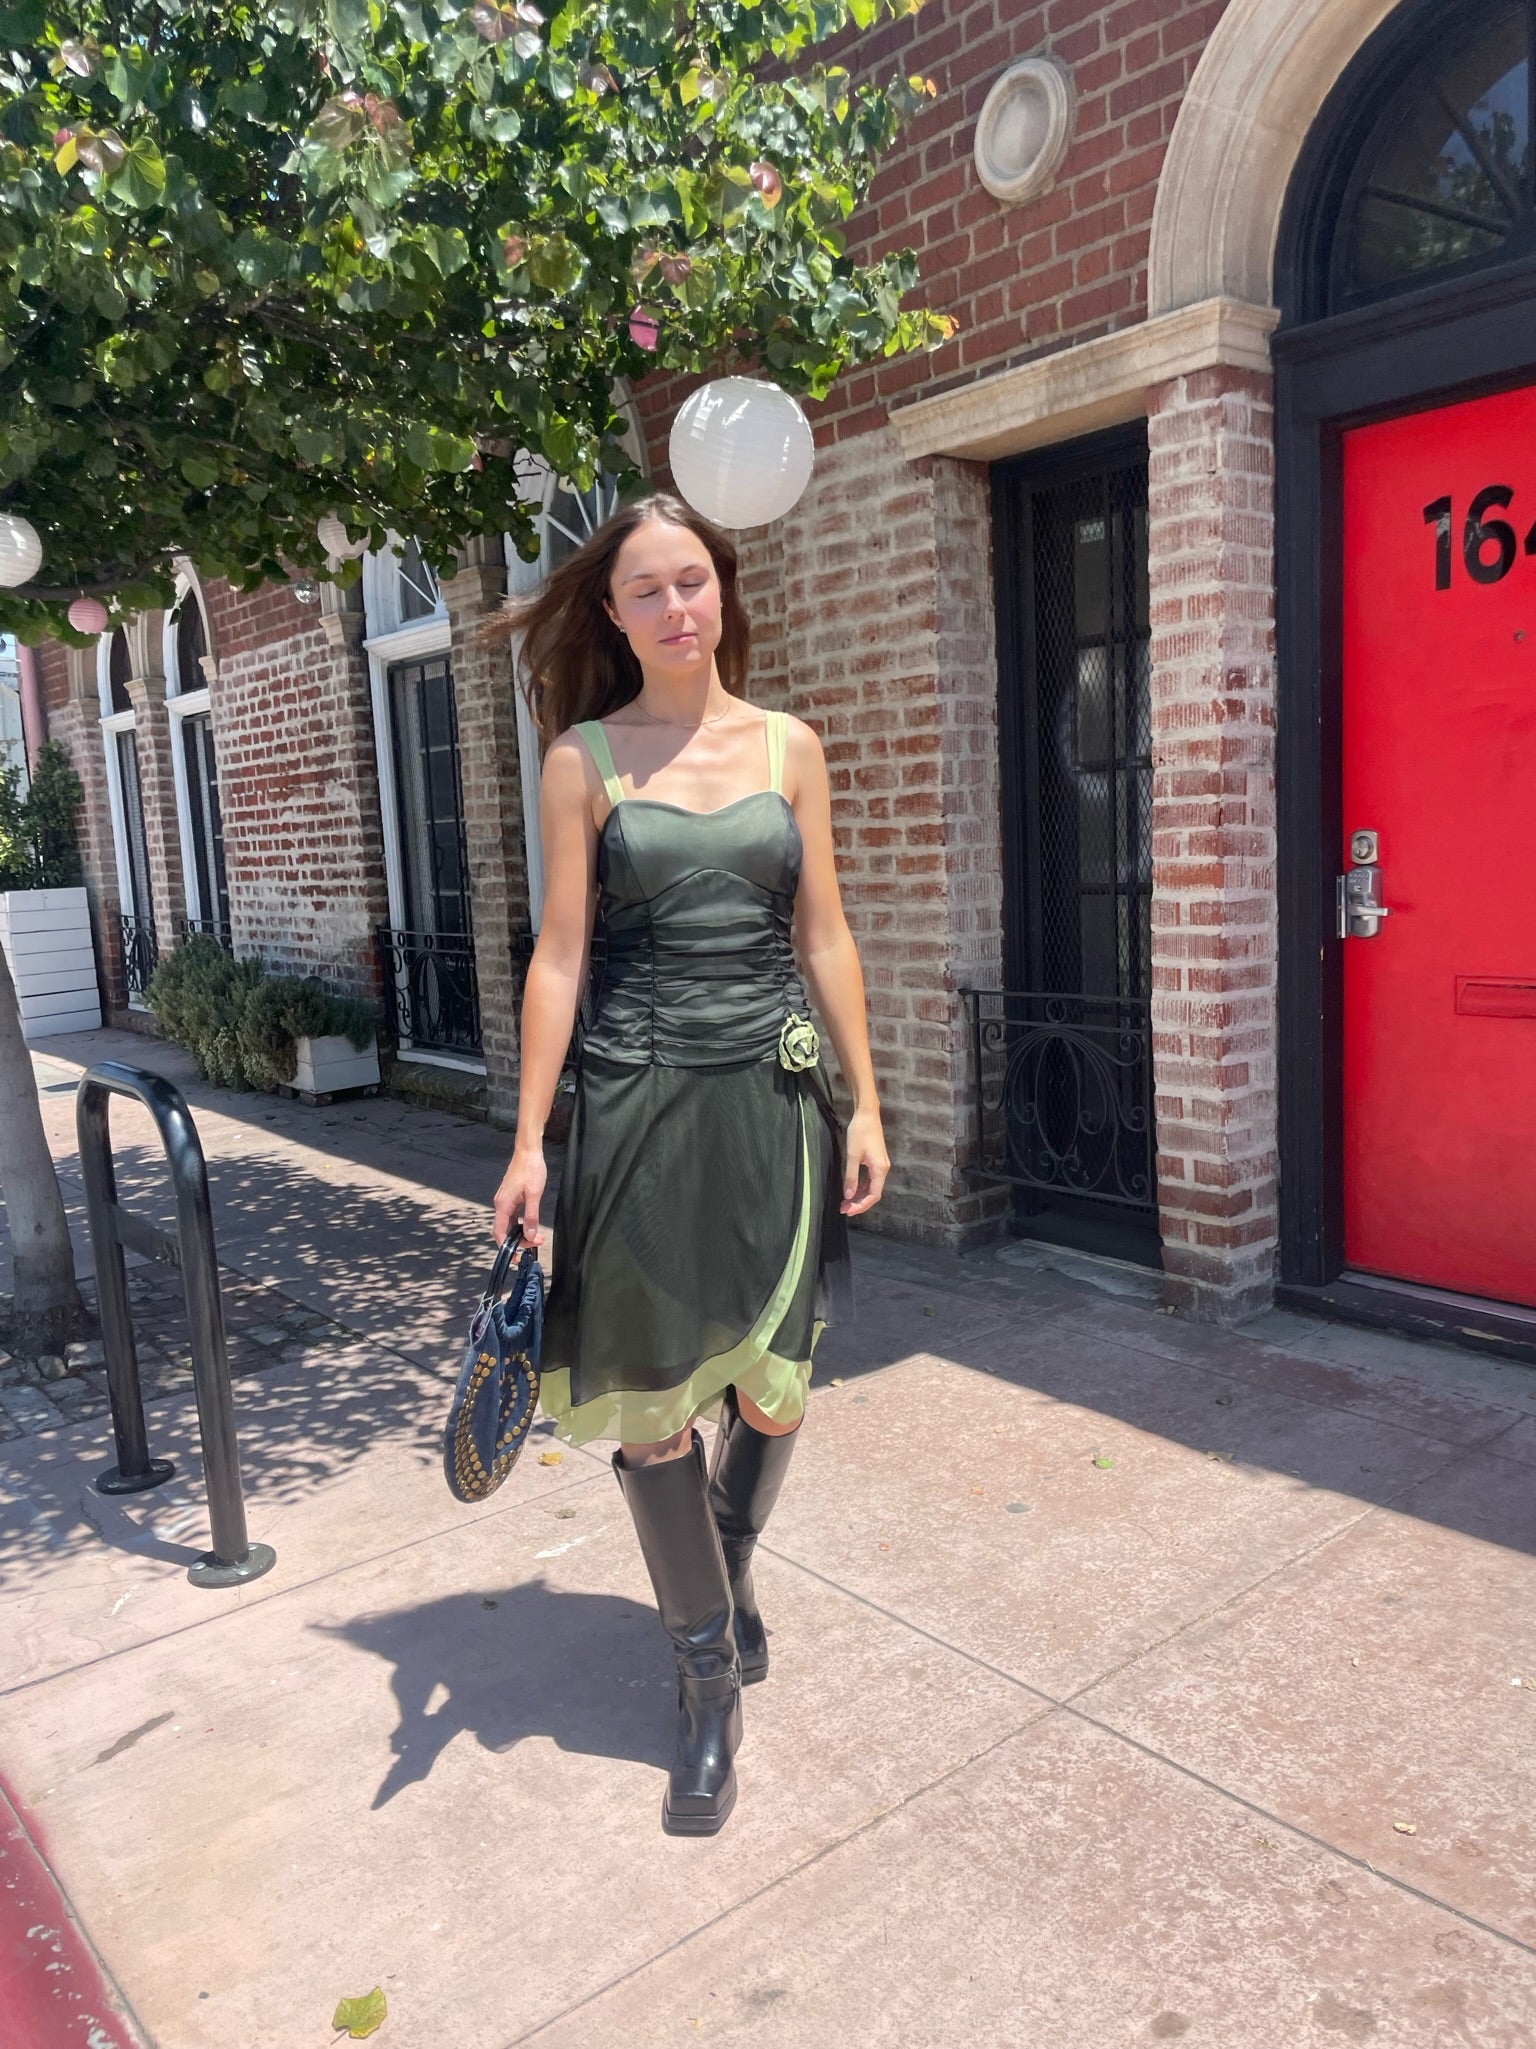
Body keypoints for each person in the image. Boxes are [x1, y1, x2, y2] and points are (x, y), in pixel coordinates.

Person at [488, 492, 888, 1837]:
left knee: (775, 1391)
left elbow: (825, 933)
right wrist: (530, 1141)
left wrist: (867, 1104)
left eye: (693, 581)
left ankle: (723, 1566)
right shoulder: (581, 760)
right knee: (654, 1406)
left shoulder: (790, 747)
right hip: (638, 1107)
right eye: (647, 590)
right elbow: (559, 957)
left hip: (774, 1107)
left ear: (724, 591)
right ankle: (707, 1681)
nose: (676, 608)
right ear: (613, 614)